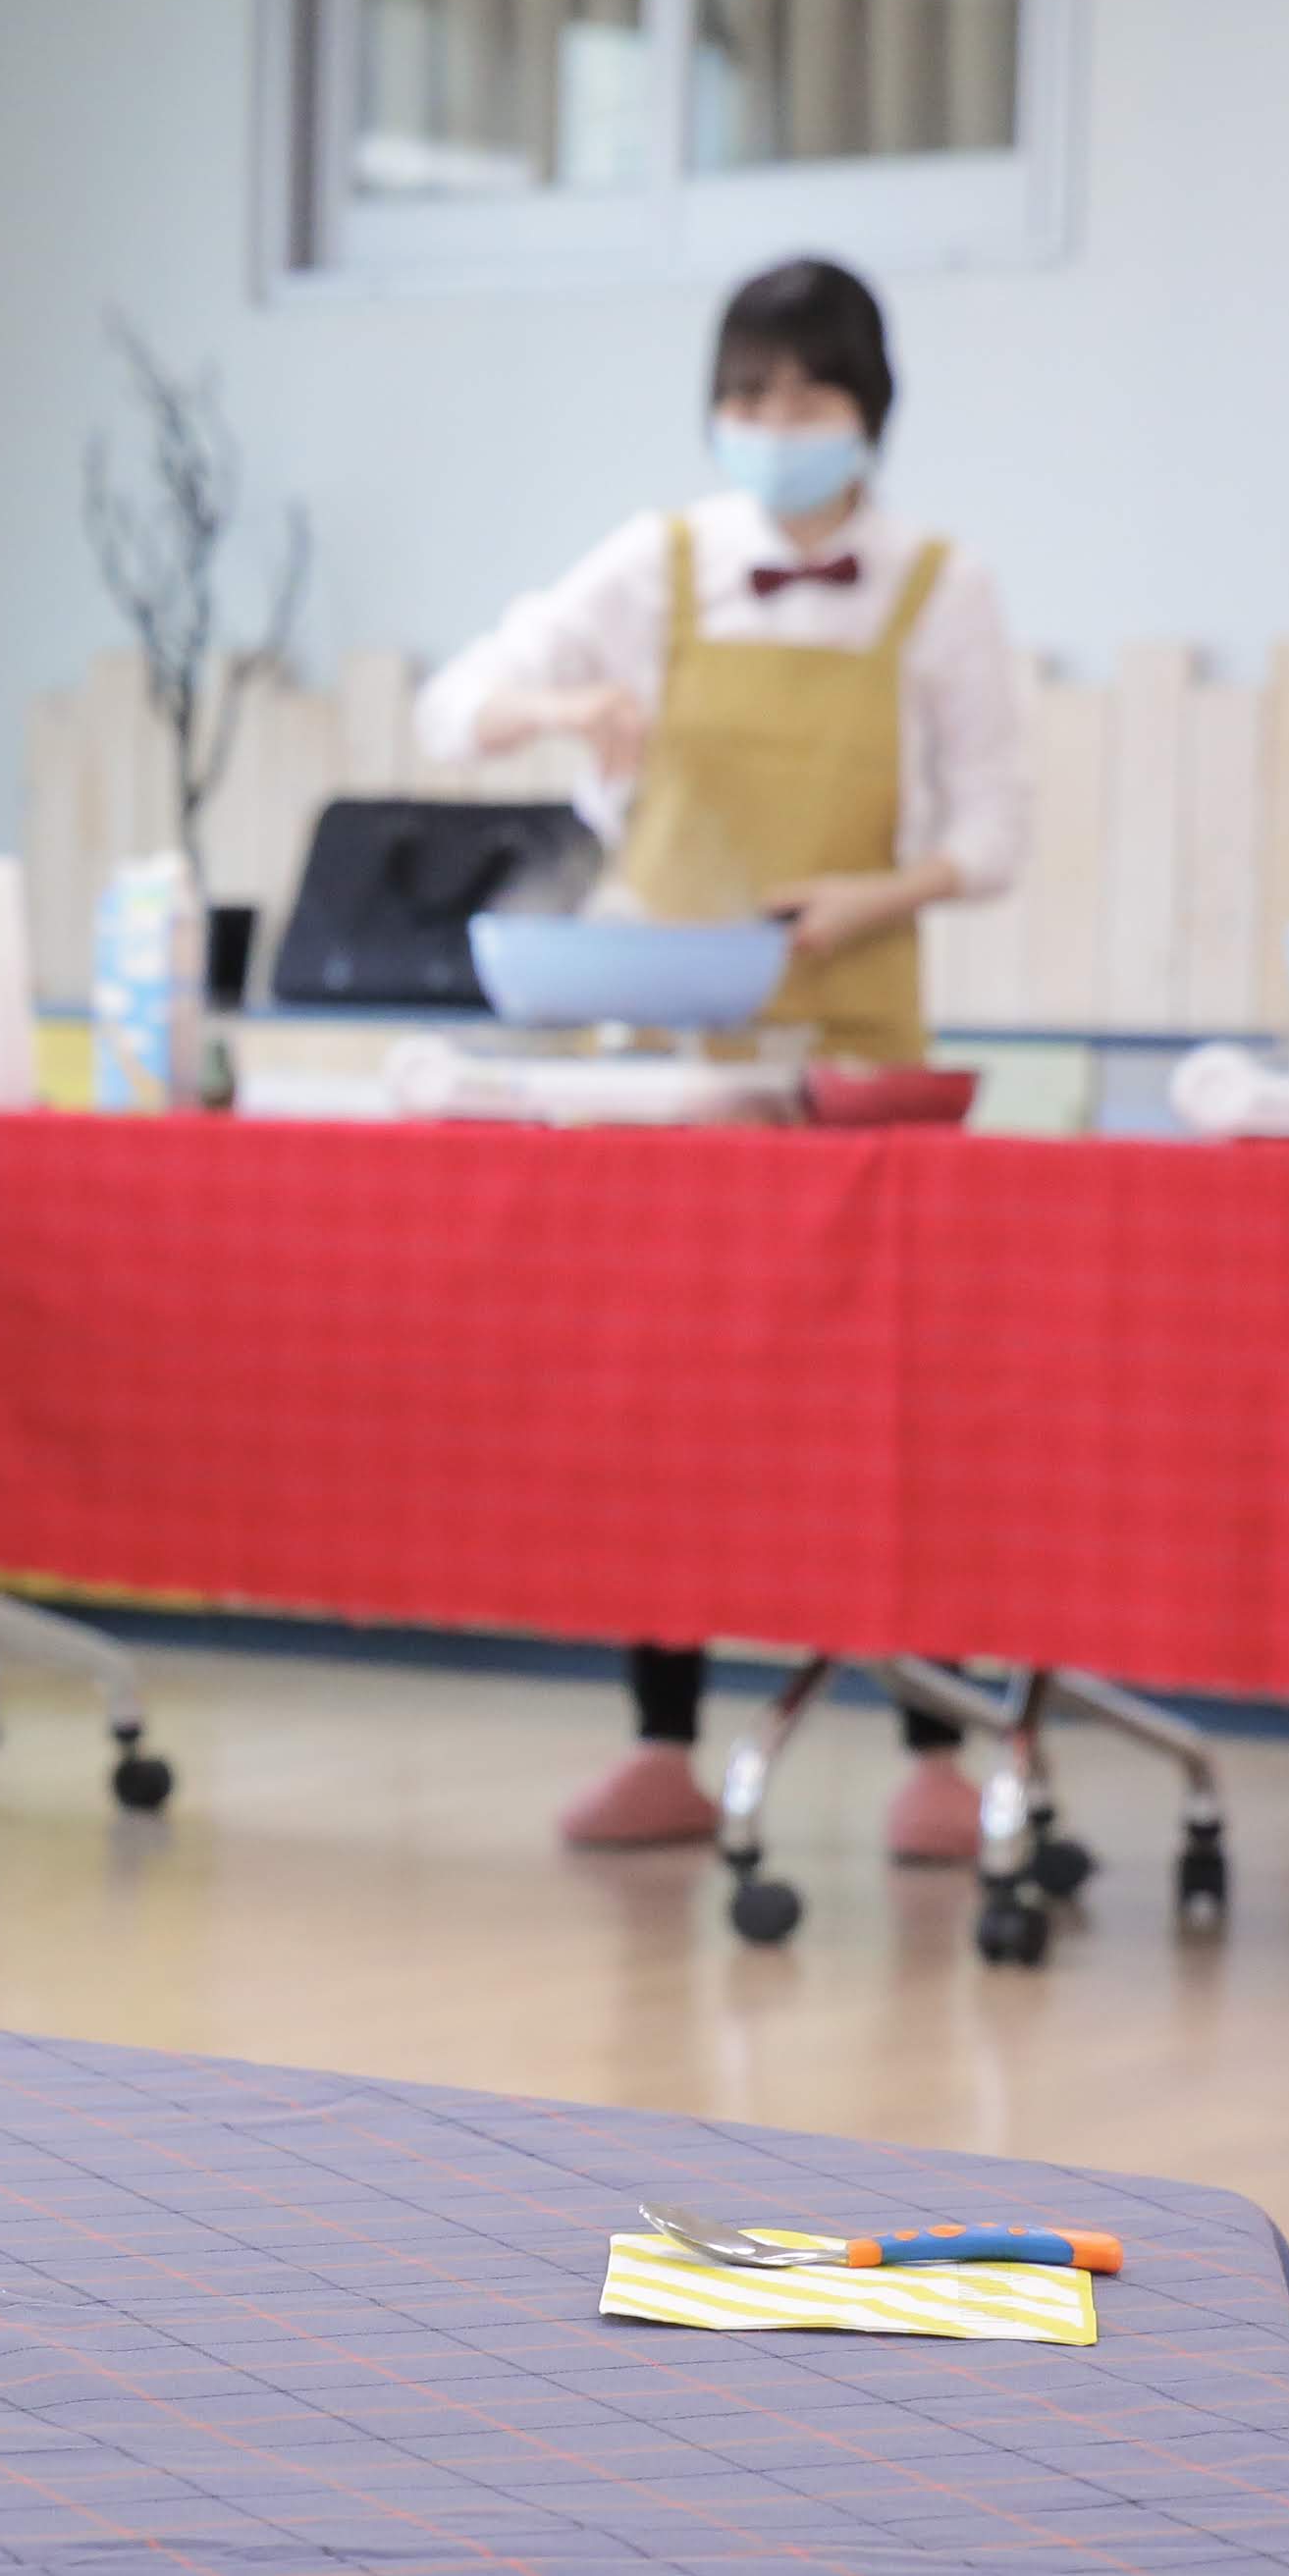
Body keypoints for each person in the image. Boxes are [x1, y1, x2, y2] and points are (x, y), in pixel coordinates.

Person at [416, 256, 1031, 1858]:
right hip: (670, 1061)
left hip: (853, 1048)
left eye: (809, 392)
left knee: (896, 1400)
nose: (777, 422)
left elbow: (994, 831)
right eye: (748, 393)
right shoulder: (659, 561)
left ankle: (936, 1748)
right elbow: (452, 707)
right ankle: (661, 1739)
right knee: (661, 1395)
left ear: (869, 409)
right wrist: (567, 708)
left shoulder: (942, 586)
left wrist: (868, 897)